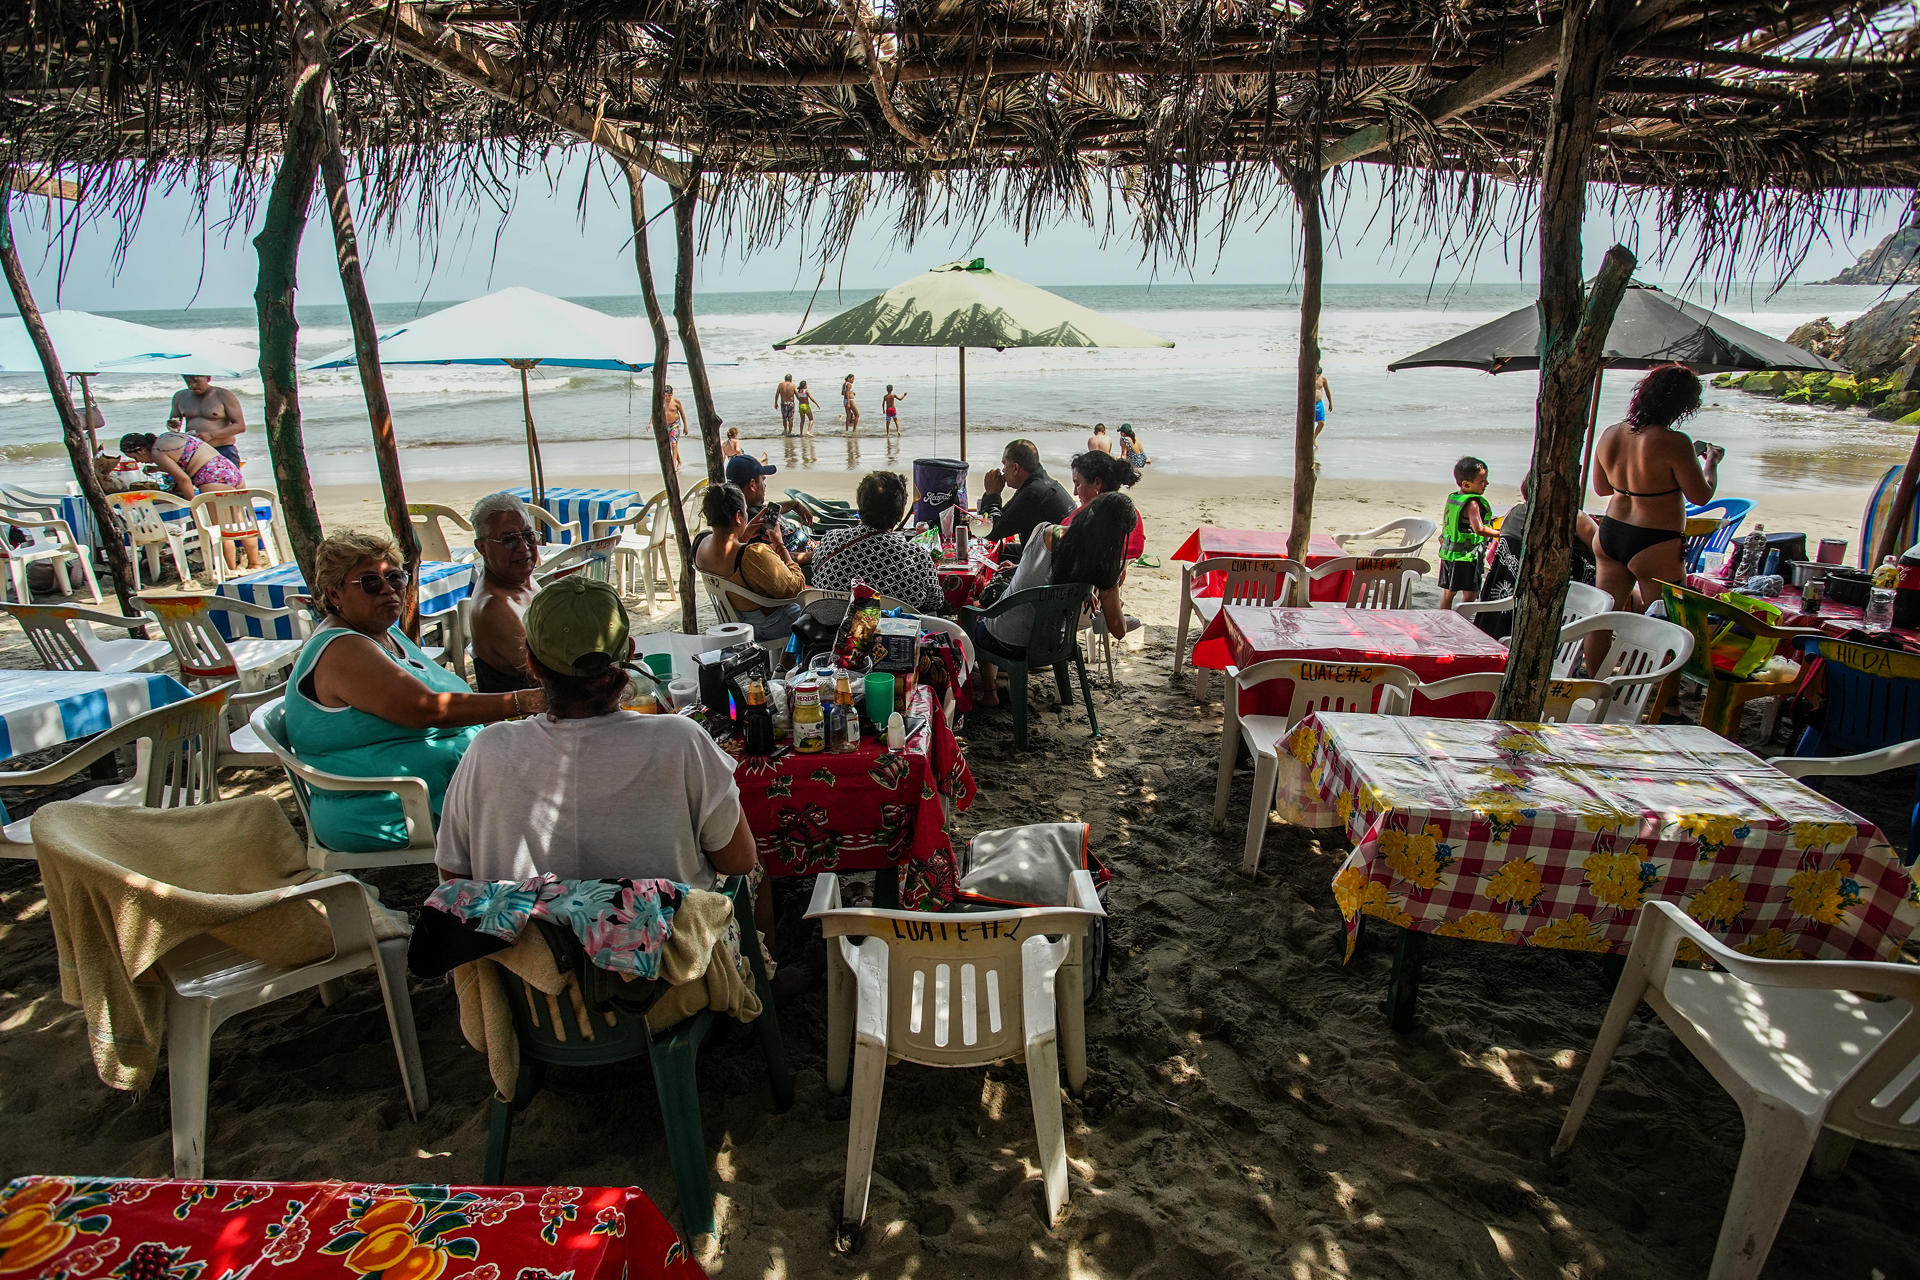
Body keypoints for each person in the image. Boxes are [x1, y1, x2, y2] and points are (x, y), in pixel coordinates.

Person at [435, 576, 757, 889]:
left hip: (529, 939)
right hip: (665, 941)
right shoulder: (681, 740)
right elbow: (738, 861)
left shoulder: (487, 748)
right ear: (629, 652)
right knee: (756, 872)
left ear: (532, 664)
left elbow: (453, 875)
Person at [284, 530, 540, 851]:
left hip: (435, 787)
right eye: (370, 582)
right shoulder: (343, 648)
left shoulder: (383, 633)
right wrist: (525, 701)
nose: (389, 590)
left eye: (395, 578)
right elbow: (427, 710)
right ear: (334, 595)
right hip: (391, 807)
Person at [974, 493, 1136, 707]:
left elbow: (1032, 572)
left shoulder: (1046, 531)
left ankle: (990, 692)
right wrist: (1107, 596)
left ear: (1089, 511)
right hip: (1055, 645)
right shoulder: (1105, 568)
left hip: (1007, 640)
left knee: (977, 619)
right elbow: (1119, 630)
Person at [1591, 362, 1722, 612]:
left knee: (1602, 617)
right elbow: (1701, 496)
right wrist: (1712, 464)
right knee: (1664, 621)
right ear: (1683, 405)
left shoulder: (1611, 433)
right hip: (1655, 540)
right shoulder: (1676, 442)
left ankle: (1595, 654)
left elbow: (1602, 488)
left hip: (1611, 532)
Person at [1475, 471, 1599, 640]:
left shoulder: (1514, 513)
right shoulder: (1573, 517)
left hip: (1504, 602)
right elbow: (1601, 549)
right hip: (1556, 601)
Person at [810, 471, 945, 612]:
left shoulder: (830, 541)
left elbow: (815, 574)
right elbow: (936, 601)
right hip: (898, 632)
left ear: (860, 506)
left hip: (833, 630)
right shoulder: (917, 557)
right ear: (900, 514)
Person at [693, 482, 806, 641]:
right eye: (745, 512)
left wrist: (743, 535)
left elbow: (728, 555)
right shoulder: (752, 555)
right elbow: (796, 587)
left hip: (733, 620)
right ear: (738, 517)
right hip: (768, 626)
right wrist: (779, 544)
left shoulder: (700, 543)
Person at [465, 492, 541, 693]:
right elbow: (545, 676)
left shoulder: (518, 576)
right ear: (482, 548)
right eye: (509, 540)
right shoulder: (496, 605)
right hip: (526, 715)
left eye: (528, 535)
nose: (523, 547)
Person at [978, 439, 1073, 546]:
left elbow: (991, 531)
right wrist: (992, 494)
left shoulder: (1034, 492)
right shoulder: (1037, 483)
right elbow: (1004, 518)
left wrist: (993, 495)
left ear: (1015, 468)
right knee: (1000, 550)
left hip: (1052, 561)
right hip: (1045, 554)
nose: (1003, 471)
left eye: (1005, 465)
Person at [725, 454, 812, 564]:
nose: (765, 485)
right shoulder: (752, 522)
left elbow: (767, 509)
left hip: (811, 549)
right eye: (763, 480)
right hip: (808, 565)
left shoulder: (749, 508)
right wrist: (819, 554)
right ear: (752, 485)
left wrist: (794, 504)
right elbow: (778, 557)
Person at [1065, 452, 1146, 561]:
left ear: (1097, 483)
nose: (1075, 492)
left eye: (1078, 484)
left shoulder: (1082, 519)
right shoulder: (1131, 516)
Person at [1438, 455, 1496, 609]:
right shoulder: (1472, 504)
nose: (1486, 484)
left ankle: (1443, 619)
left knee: (1448, 592)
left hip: (1449, 553)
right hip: (1466, 557)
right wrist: (1498, 533)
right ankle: (1459, 619)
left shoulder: (1455, 498)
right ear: (1466, 484)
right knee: (1470, 594)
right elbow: (1479, 529)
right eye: (1482, 481)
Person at [118, 430, 243, 498]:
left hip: (212, 478)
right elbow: (188, 458)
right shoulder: (167, 436)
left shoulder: (157, 452)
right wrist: (157, 468)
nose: (138, 462)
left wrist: (193, 505)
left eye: (135, 458)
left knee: (219, 531)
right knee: (241, 525)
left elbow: (183, 480)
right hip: (229, 470)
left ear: (141, 450)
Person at [168, 374, 246, 469]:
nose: (192, 386)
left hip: (222, 448)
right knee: (196, 483)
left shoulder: (224, 395)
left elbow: (240, 426)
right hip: (195, 450)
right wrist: (172, 425)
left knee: (228, 482)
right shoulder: (180, 396)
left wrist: (211, 435)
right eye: (188, 382)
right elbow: (174, 426)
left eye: (196, 382)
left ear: (208, 378)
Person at [660, 382, 686, 471]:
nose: (667, 398)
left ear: (672, 394)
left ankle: (674, 465)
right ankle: (679, 461)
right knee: (671, 445)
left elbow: (682, 414)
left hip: (675, 424)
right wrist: (650, 423)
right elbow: (654, 413)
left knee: (674, 444)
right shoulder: (661, 402)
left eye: (669, 395)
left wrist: (686, 427)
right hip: (666, 425)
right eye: (666, 396)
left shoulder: (676, 402)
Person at [1313, 365, 1334, 439]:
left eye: (1318, 375)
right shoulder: (1308, 378)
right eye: (1316, 374)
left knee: (1321, 422)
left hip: (1318, 403)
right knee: (1309, 422)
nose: (1317, 376)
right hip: (1309, 403)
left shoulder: (1323, 379)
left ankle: (1314, 438)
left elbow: (1327, 391)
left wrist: (1330, 403)